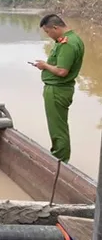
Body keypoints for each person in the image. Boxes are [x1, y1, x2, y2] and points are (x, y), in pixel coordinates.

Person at [33, 14, 84, 163]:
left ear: (55, 27)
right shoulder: (73, 39)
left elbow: (62, 71)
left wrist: (44, 65)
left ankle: (60, 159)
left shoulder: (67, 44)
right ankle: (59, 156)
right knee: (58, 126)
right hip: (59, 89)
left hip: (57, 90)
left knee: (57, 128)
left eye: (48, 32)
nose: (49, 36)